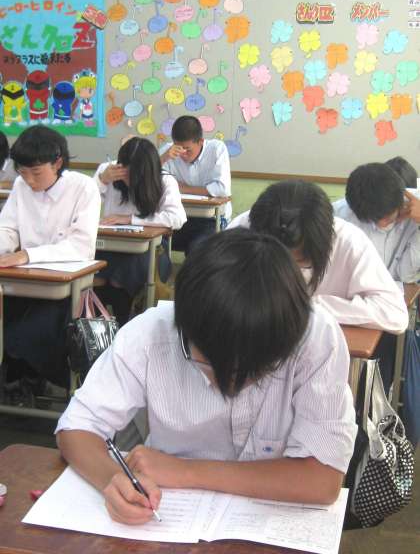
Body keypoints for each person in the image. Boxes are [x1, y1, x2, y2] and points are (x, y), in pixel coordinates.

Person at [56, 228, 356, 525]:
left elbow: (323, 480)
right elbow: (76, 428)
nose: (232, 384)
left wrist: (185, 471)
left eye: (254, 372)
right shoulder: (151, 335)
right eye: (212, 365)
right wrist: (114, 480)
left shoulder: (316, 341)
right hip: (170, 521)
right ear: (185, 325)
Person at [0, 125, 101, 400]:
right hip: (23, 283)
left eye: (36, 173)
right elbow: (7, 228)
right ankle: (18, 380)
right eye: (22, 172)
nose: (29, 180)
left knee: (31, 332)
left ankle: (33, 380)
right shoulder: (21, 186)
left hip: (67, 289)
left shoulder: (83, 188)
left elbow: (81, 246)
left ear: (57, 163)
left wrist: (28, 255)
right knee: (7, 320)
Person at [229, 180, 408, 334]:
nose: (289, 273)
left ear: (326, 242)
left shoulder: (348, 241)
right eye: (276, 262)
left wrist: (309, 306)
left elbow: (394, 314)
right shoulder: (242, 230)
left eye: (301, 263)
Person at [93, 137, 187, 325]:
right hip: (109, 246)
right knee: (93, 272)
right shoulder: (108, 173)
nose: (128, 179)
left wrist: (131, 219)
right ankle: (95, 329)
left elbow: (177, 218)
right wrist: (102, 180)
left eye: (133, 175)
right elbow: (82, 204)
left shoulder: (164, 181)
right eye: (125, 173)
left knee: (122, 274)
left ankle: (123, 326)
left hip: (150, 251)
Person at [334, 162, 420, 283]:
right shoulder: (338, 216)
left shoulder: (414, 203)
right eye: (374, 220)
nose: (383, 225)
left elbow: (406, 276)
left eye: (389, 218)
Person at [160, 115, 231, 254]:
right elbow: (151, 182)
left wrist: (183, 188)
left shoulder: (216, 149)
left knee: (198, 250)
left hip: (211, 220)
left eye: (187, 149)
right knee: (157, 243)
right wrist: (163, 158)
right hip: (178, 217)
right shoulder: (168, 151)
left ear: (200, 141)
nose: (182, 154)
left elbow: (222, 189)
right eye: (179, 149)